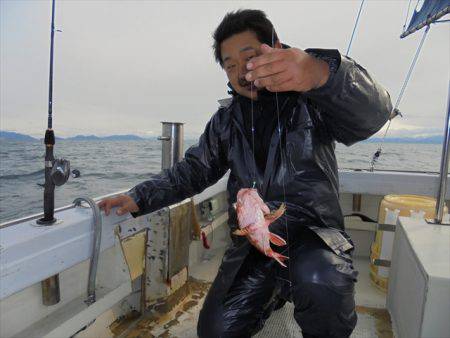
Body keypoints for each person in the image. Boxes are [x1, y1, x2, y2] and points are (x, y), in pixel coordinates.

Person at [99, 9, 392, 338]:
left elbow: (375, 114)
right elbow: (193, 170)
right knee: (215, 331)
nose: (240, 73)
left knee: (320, 279)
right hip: (253, 243)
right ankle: (273, 294)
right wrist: (138, 197)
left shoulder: (313, 100)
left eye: (248, 58)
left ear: (275, 48)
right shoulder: (225, 120)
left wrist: (319, 72)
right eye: (230, 65)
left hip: (314, 236)